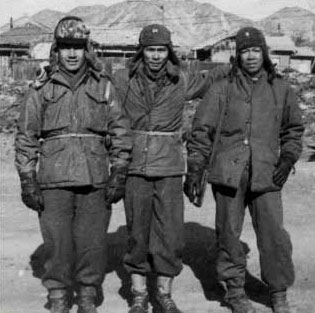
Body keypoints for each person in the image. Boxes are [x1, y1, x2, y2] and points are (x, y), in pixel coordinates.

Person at [15, 16, 132, 313]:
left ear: (86, 49)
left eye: (77, 47)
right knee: (57, 243)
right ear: (56, 50)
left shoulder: (103, 86)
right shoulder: (41, 88)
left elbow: (120, 130)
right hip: (53, 180)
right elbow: (26, 135)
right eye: (66, 47)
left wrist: (119, 170)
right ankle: (57, 296)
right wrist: (28, 178)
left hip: (95, 178)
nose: (71, 54)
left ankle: (88, 296)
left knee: (93, 243)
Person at [184, 27, 304, 313]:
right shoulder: (221, 88)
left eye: (255, 50)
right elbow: (201, 131)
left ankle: (277, 292)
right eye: (244, 51)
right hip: (228, 174)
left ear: (264, 53)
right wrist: (195, 167)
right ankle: (235, 291)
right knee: (228, 233)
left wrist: (287, 159)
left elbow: (294, 130)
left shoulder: (281, 89)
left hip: (267, 172)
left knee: (274, 235)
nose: (250, 56)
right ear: (237, 56)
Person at [114, 23, 228, 313]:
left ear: (169, 52)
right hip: (134, 164)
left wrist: (239, 61)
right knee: (137, 231)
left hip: (168, 166)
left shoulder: (181, 80)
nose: (155, 56)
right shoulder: (121, 79)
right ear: (142, 52)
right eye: (150, 50)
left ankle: (164, 294)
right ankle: (138, 295)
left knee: (171, 233)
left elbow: (211, 77)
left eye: (161, 50)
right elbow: (90, 77)